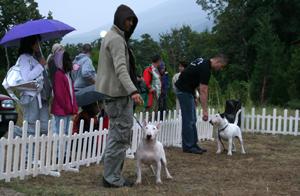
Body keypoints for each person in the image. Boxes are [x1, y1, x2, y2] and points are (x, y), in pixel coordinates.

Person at [95, 4, 143, 188]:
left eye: (132, 20)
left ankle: (112, 174)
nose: (130, 23)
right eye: (128, 19)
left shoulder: (112, 36)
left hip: (114, 95)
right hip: (118, 96)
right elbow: (121, 69)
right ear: (120, 18)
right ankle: (112, 178)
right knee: (120, 136)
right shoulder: (116, 39)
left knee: (117, 135)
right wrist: (133, 91)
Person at [175, 54, 228, 154]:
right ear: (218, 62)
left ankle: (193, 144)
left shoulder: (203, 61)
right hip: (183, 90)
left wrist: (194, 96)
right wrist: (205, 111)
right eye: (221, 66)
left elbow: (191, 76)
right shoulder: (206, 69)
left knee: (193, 119)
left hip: (188, 90)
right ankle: (188, 146)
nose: (220, 69)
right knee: (188, 120)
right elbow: (203, 90)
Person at [51, 50, 78, 135]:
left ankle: (64, 149)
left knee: (66, 132)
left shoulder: (67, 74)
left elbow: (71, 92)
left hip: (67, 109)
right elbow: (59, 95)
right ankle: (61, 149)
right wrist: (68, 107)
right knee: (61, 133)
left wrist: (73, 106)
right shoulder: (59, 74)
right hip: (61, 110)